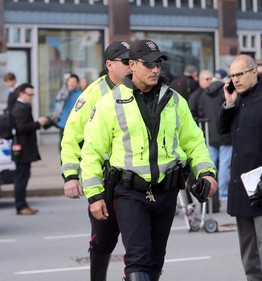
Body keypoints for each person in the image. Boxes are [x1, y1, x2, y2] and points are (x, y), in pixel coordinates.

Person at [80, 39, 218, 281]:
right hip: (129, 194)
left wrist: (207, 172)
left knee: (155, 264)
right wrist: (95, 195)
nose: (155, 69)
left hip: (166, 193)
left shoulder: (174, 100)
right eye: (149, 64)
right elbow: (91, 150)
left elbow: (194, 141)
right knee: (137, 263)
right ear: (132, 64)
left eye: (158, 64)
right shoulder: (109, 103)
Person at [60, 41, 131, 281]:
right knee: (103, 241)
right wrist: (70, 176)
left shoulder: (137, 88)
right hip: (105, 178)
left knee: (139, 243)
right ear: (109, 65)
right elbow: (71, 135)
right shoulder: (93, 93)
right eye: (125, 62)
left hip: (134, 177)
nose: (131, 66)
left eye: (133, 60)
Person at [217, 54, 262, 281]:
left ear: (254, 72)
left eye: (240, 74)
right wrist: (228, 102)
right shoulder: (237, 101)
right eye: (232, 75)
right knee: (249, 257)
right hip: (241, 188)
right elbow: (221, 130)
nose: (235, 80)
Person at [190, 68, 232, 206]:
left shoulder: (203, 94)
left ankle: (212, 191)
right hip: (224, 133)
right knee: (225, 164)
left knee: (210, 163)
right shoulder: (224, 92)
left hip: (209, 133)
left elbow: (200, 113)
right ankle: (222, 192)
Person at [10, 83, 49, 215]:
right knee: (21, 177)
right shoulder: (20, 108)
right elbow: (22, 128)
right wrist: (38, 123)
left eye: (33, 94)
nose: (32, 97)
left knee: (23, 176)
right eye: (30, 94)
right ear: (21, 94)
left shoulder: (22, 106)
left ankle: (22, 204)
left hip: (23, 148)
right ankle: (21, 206)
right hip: (22, 149)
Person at [53, 73, 82, 142]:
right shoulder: (63, 93)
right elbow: (56, 105)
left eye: (73, 82)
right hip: (63, 124)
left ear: (77, 83)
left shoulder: (80, 94)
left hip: (74, 125)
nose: (71, 84)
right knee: (62, 146)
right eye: (69, 82)